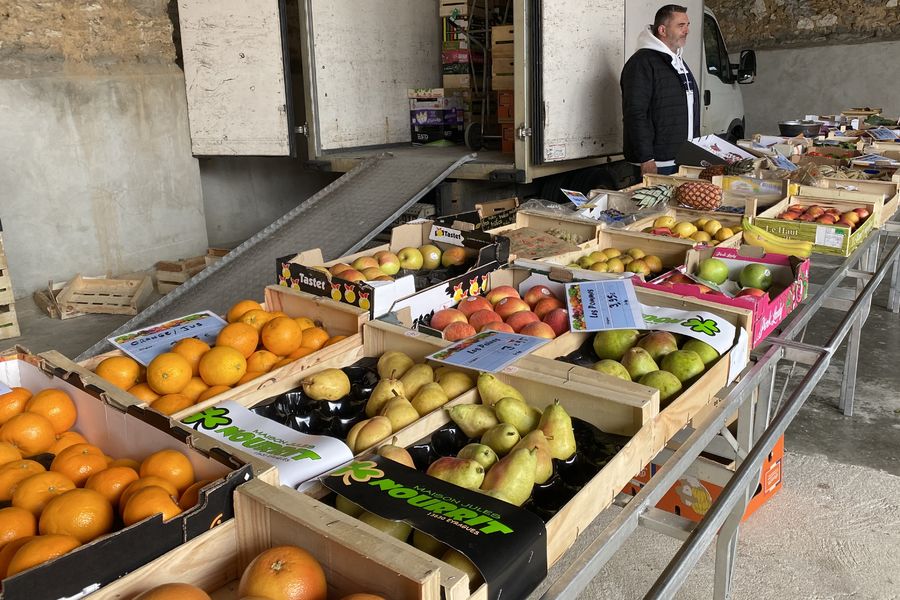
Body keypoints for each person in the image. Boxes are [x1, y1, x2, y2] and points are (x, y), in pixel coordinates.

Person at [621, 4, 700, 176]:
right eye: (681, 25)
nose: (687, 30)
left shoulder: (676, 61)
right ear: (662, 30)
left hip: (680, 159)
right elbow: (635, 113)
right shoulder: (642, 63)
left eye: (687, 25)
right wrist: (646, 158)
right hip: (657, 163)